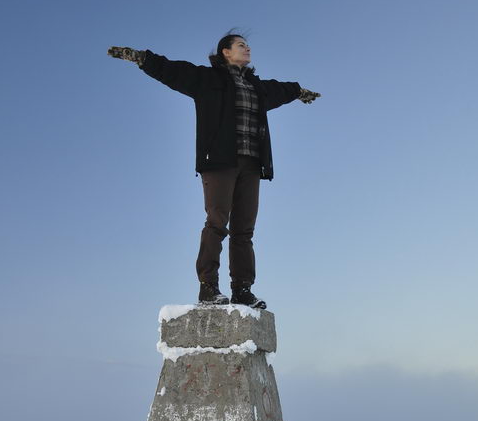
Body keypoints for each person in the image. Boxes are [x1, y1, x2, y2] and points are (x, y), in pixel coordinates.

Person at [107, 34, 320, 309]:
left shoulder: (257, 87)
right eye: (241, 45)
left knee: (244, 230)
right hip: (219, 161)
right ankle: (208, 287)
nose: (247, 48)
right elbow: (172, 70)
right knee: (217, 222)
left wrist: (299, 92)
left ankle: (242, 289)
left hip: (252, 164)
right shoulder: (207, 79)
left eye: (248, 45)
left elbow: (280, 90)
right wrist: (141, 58)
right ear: (225, 52)